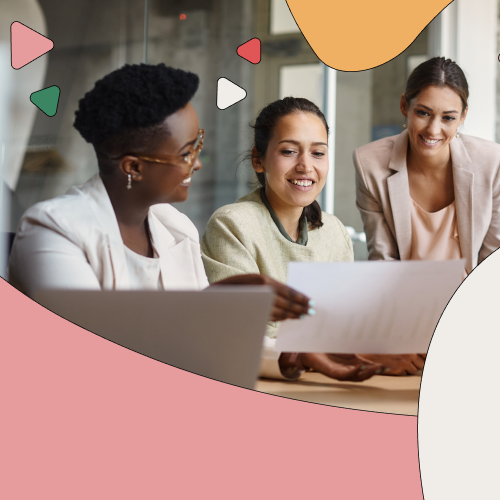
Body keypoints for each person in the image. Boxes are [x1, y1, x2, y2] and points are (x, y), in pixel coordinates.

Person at [8, 64, 381, 382]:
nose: (197, 164)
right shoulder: (53, 230)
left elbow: (207, 346)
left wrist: (294, 355)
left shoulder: (176, 229)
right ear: (133, 167)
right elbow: (91, 349)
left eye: (198, 145)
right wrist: (213, 306)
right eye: (186, 153)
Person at [201, 97, 389, 379]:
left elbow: (343, 327)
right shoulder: (232, 224)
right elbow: (241, 332)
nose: (305, 165)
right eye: (289, 151)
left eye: (318, 153)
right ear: (258, 159)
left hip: (325, 382)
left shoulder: (334, 231)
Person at [353, 57, 500, 373]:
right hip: (404, 321)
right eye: (423, 113)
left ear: (463, 117)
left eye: (448, 117)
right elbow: (383, 261)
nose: (434, 129)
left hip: (476, 319)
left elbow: (492, 265)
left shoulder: (492, 162)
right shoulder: (370, 164)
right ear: (405, 106)